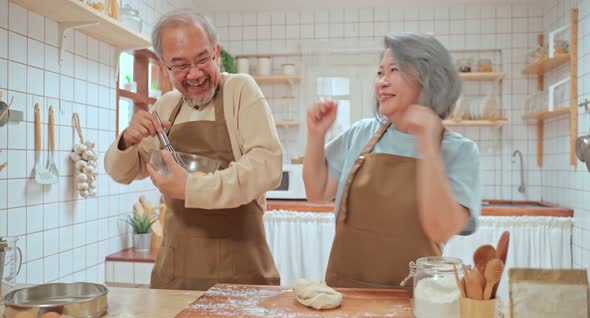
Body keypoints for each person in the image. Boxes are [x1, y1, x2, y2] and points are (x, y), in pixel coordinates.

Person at [104, 11, 282, 290]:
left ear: (217, 53)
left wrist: (191, 188)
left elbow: (266, 165)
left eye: (202, 59)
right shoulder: (166, 107)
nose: (195, 73)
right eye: (181, 65)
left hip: (241, 275)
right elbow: (122, 173)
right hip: (176, 276)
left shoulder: (239, 90)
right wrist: (127, 140)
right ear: (165, 67)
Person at [303, 33, 481, 291]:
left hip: (417, 302)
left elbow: (441, 229)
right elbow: (316, 192)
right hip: (346, 295)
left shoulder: (460, 152)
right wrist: (316, 135)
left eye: (393, 71)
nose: (381, 83)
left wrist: (428, 144)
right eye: (379, 73)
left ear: (427, 79)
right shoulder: (362, 133)